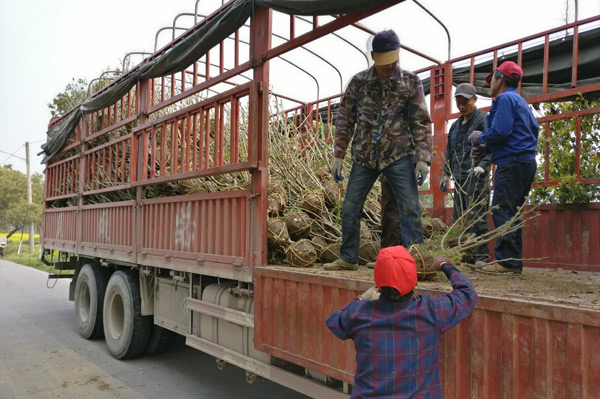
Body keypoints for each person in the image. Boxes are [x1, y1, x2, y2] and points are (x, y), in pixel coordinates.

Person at [325, 29, 432, 271]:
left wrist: (423, 158)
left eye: (393, 61)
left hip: (399, 155)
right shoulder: (359, 82)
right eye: (384, 63)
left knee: (410, 208)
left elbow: (421, 122)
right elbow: (345, 118)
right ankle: (349, 257)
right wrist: (338, 154)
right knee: (350, 206)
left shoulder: (410, 82)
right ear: (373, 56)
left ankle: (417, 260)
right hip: (364, 156)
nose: (388, 67)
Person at [326, 245, 478, 398]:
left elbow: (333, 321)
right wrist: (445, 265)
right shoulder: (430, 311)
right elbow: (467, 293)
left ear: (378, 285)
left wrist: (361, 298)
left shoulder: (358, 313)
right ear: (415, 281)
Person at [469, 61, 539, 274]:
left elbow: (500, 131)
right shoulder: (520, 102)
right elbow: (519, 134)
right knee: (512, 211)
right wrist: (486, 148)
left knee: (500, 209)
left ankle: (507, 262)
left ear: (500, 78)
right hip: (525, 163)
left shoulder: (505, 99)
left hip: (511, 163)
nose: (490, 85)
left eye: (493, 80)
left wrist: (480, 137)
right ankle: (512, 261)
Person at [440, 83, 491, 264]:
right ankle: (464, 254)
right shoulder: (454, 126)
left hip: (476, 176)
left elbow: (491, 146)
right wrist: (446, 174)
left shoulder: (483, 119)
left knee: (477, 215)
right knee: (459, 217)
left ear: (475, 99)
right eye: (459, 102)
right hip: (459, 178)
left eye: (466, 102)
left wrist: (482, 166)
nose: (462, 106)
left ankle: (481, 256)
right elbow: (450, 151)